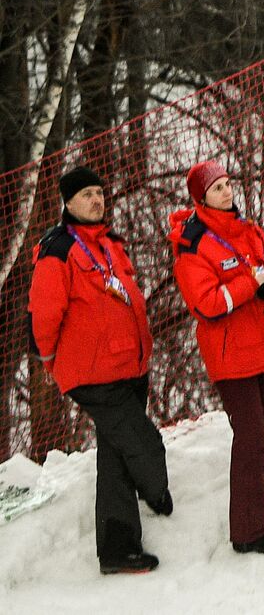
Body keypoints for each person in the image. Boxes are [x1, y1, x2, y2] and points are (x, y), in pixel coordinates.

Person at [28, 166, 171, 574]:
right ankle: (156, 491)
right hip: (93, 374)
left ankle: (117, 549)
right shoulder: (58, 248)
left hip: (129, 365)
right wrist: (50, 361)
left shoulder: (110, 243)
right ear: (68, 202)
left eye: (100, 192)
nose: (96, 200)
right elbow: (44, 313)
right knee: (143, 444)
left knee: (116, 455)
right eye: (87, 194)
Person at [168, 160, 264, 555]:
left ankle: (257, 516)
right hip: (229, 354)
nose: (227, 192)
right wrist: (253, 284)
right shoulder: (193, 243)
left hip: (260, 345)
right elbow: (207, 304)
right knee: (252, 438)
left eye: (228, 184)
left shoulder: (247, 229)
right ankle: (247, 531)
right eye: (217, 188)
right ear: (200, 198)